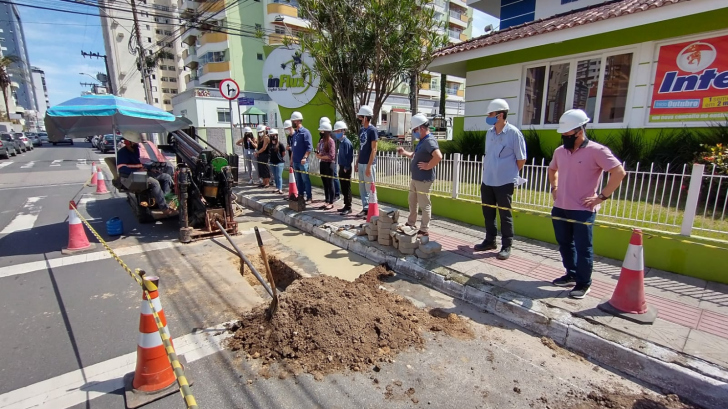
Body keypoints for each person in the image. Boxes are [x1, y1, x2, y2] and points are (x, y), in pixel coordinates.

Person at [549, 109, 626, 299]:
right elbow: (552, 170)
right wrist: (554, 187)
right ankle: (571, 274)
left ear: (580, 131)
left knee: (584, 248)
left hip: (583, 210)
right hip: (560, 207)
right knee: (565, 244)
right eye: (563, 134)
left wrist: (602, 197)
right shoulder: (560, 151)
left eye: (568, 134)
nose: (564, 137)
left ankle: (584, 283)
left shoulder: (597, 151)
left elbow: (619, 173)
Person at [473, 99, 527, 261]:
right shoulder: (489, 133)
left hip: (504, 182)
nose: (488, 117)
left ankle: (506, 245)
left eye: (491, 114)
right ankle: (490, 241)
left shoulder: (514, 133)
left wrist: (510, 175)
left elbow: (521, 159)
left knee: (505, 215)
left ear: (500, 115)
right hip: (487, 181)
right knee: (488, 213)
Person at [396, 114, 443, 236]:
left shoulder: (429, 141)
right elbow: (416, 155)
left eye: (415, 130)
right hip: (416, 178)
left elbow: (438, 156)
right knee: (412, 201)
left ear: (421, 128)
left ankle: (424, 229)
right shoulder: (422, 141)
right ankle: (411, 223)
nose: (414, 133)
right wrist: (405, 152)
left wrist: (428, 166)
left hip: (424, 180)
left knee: (424, 204)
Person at [116, 131, 174, 215]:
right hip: (129, 176)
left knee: (166, 177)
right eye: (135, 142)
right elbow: (122, 169)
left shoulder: (136, 150)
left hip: (142, 174)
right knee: (155, 183)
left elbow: (140, 164)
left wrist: (151, 169)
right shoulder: (122, 153)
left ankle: (164, 201)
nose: (137, 144)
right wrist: (137, 171)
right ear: (128, 142)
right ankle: (164, 208)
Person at [354, 106, 378, 218]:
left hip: (369, 163)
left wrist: (369, 166)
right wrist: (357, 161)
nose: (359, 119)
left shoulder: (372, 130)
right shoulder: (362, 130)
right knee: (362, 187)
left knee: (370, 187)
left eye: (360, 117)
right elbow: (361, 147)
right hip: (361, 162)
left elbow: (374, 149)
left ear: (365, 117)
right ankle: (365, 208)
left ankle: (372, 209)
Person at [290, 111, 313, 202]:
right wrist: (292, 159)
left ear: (298, 121)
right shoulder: (295, 134)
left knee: (305, 180)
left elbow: (309, 147)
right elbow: (293, 148)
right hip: (295, 161)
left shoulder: (305, 132)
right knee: (298, 180)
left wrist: (305, 157)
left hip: (302, 162)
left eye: (293, 121)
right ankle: (300, 195)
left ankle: (309, 196)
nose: (293, 123)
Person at [333, 121, 354, 215]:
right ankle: (345, 205)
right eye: (336, 131)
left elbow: (349, 156)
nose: (337, 133)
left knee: (346, 187)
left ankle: (348, 206)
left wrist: (346, 166)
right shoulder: (341, 142)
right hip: (341, 166)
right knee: (343, 187)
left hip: (346, 167)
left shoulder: (347, 143)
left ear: (343, 131)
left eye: (338, 131)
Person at [320, 116, 341, 201]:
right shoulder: (322, 137)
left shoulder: (332, 137)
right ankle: (328, 197)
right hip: (324, 161)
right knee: (326, 181)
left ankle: (336, 194)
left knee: (333, 178)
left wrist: (322, 156)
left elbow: (332, 152)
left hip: (331, 161)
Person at [316, 122, 336, 210]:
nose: (321, 132)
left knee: (330, 183)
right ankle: (326, 200)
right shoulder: (321, 141)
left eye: (322, 131)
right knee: (325, 183)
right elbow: (320, 151)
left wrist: (321, 156)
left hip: (329, 164)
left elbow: (332, 155)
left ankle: (331, 202)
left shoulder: (331, 141)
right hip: (322, 163)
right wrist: (318, 154)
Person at [268, 129, 286, 194]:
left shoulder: (280, 144)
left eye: (273, 135)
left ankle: (280, 188)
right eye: (271, 135)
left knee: (279, 176)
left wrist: (280, 157)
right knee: (275, 176)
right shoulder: (269, 144)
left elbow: (283, 153)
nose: (272, 136)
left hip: (279, 162)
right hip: (272, 161)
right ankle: (277, 187)